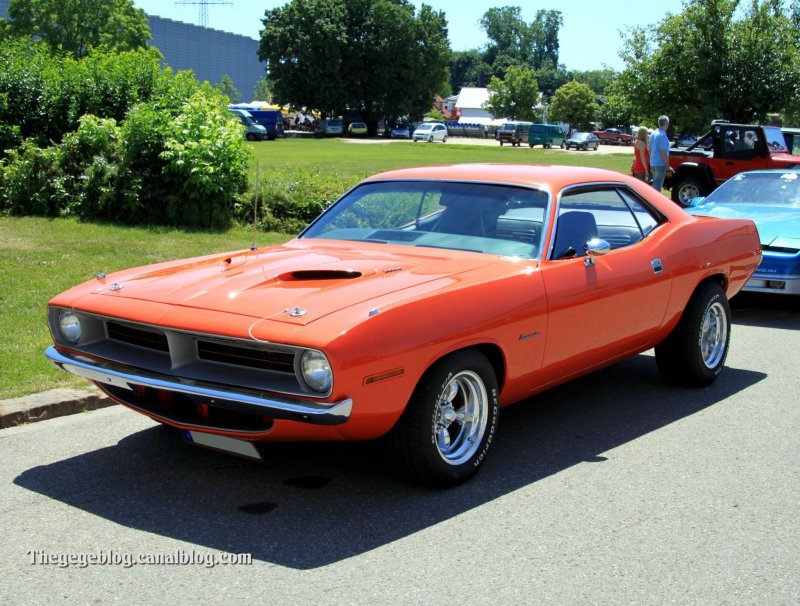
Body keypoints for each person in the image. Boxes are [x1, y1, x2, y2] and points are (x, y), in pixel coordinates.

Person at [649, 115, 673, 191]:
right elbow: (663, 152)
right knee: (657, 185)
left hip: (653, 162)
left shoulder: (653, 133)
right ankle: (652, 201)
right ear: (666, 124)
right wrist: (668, 168)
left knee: (655, 183)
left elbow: (650, 149)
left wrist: (651, 160)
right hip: (660, 163)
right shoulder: (662, 135)